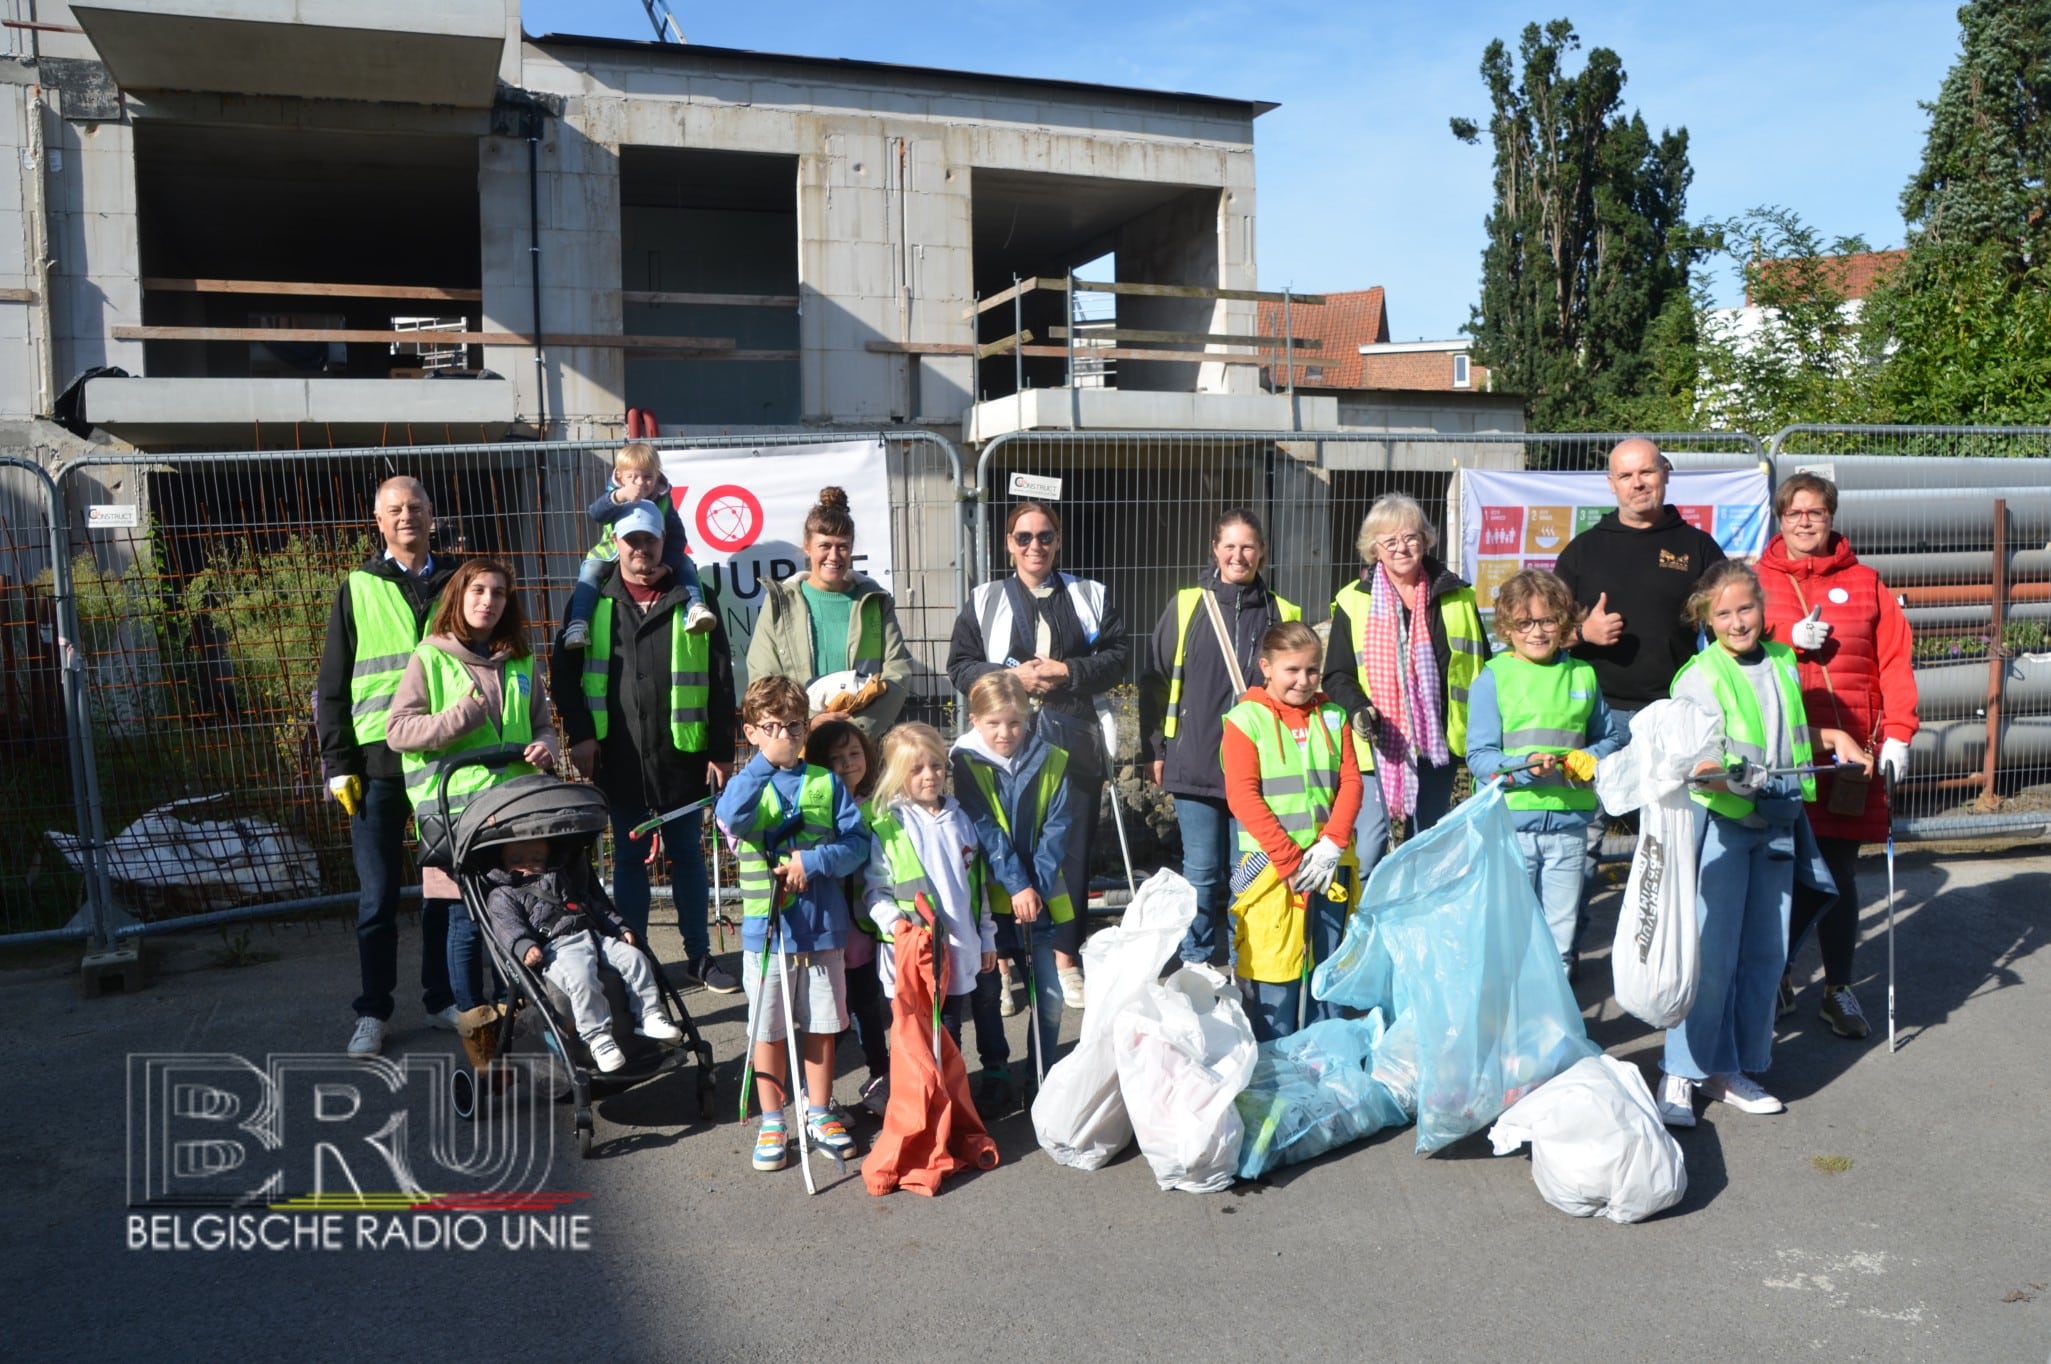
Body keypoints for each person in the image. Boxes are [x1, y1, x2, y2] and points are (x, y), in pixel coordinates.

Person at [1656, 562, 1867, 1128]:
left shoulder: (1781, 661)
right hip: (1724, 829)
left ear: (1764, 609)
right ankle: (1680, 1069)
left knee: (1763, 956)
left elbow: (1786, 731)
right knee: (1710, 957)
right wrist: (1726, 775)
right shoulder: (1698, 676)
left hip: (1777, 824)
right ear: (1706, 619)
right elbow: (1696, 759)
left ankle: (1730, 1068)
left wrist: (1836, 737)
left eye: (1745, 609)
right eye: (1721, 614)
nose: (1736, 621)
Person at [550, 500, 740, 993]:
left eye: (649, 540)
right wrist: (581, 736)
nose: (640, 550)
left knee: (688, 854)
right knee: (629, 859)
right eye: (631, 541)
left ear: (663, 542)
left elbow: (720, 677)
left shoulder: (692, 599)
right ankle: (636, 959)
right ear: (616, 543)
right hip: (618, 754)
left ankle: (699, 956)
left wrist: (722, 750)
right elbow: (565, 677)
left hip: (683, 753)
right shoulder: (589, 603)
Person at [1757, 472, 1920, 1040]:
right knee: (1781, 873)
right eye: (1794, 513)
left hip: (1852, 758)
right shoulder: (1755, 582)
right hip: (1780, 753)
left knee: (1840, 874)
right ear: (1779, 519)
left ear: (1831, 517)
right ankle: (1775, 973)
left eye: (1816, 512)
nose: (1805, 521)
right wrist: (1780, 638)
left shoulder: (1867, 582)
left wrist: (1899, 733)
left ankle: (1838, 988)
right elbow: (1724, 647)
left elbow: (1896, 661)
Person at [948, 502, 1127, 1009]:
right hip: (1001, 742)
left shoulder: (1090, 595)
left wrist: (1067, 671)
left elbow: (1117, 657)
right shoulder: (984, 599)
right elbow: (958, 665)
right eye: (1023, 537)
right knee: (998, 846)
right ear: (1008, 543)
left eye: (1045, 537)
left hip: (1072, 739)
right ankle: (1003, 963)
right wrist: (1010, 680)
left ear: (1058, 540)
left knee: (1068, 852)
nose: (1035, 546)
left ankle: (1064, 961)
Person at [314, 475, 462, 1058]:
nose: (407, 517)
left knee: (443, 892)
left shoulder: (458, 582)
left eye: (417, 508)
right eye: (395, 509)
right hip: (375, 767)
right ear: (378, 522)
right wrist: (337, 762)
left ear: (432, 517)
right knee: (376, 898)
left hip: (445, 763)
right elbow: (332, 683)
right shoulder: (357, 587)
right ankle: (373, 1011)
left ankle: (440, 999)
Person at [384, 556, 561, 1042]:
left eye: (499, 593)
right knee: (465, 922)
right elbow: (398, 731)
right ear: (458, 597)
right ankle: (478, 1029)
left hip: (516, 812)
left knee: (523, 913)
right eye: (478, 591)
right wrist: (460, 717)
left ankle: (523, 1012)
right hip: (456, 815)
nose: (488, 601)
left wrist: (547, 746)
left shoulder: (521, 660)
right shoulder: (431, 656)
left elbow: (543, 722)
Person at [716, 676, 869, 1173]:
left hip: (822, 930)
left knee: (822, 1027)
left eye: (795, 725)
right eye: (772, 726)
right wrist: (764, 763)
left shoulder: (825, 782)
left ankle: (819, 1110)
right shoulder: (748, 785)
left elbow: (857, 844)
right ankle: (772, 1120)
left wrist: (817, 860)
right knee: (769, 1029)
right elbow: (730, 815)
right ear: (752, 732)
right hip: (768, 933)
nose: (786, 734)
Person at [1140, 508, 1303, 969]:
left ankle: (1245, 961)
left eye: (1248, 546)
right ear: (1215, 550)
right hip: (1194, 758)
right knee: (1203, 872)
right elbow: (1153, 679)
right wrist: (1155, 747)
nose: (1238, 555)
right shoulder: (1188, 604)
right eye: (1229, 546)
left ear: (1262, 552)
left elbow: (1300, 687)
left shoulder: (1283, 612)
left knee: (1248, 872)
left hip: (1260, 766)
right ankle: (1196, 963)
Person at [1465, 570, 1628, 981]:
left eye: (1547, 621)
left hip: (1570, 830)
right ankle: (1510, 1036)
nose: (1536, 632)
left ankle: (1554, 1038)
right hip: (1511, 830)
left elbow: (1609, 738)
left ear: (1564, 624)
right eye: (1524, 623)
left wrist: (1585, 758)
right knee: (1510, 940)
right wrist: (1523, 768)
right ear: (1506, 627)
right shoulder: (1494, 678)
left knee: (1559, 945)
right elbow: (1479, 756)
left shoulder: (1583, 676)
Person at [1323, 494, 1487, 864]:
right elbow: (1337, 674)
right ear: (1373, 548)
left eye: (1411, 537)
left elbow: (1482, 664)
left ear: (1425, 540)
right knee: (1368, 850)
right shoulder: (1352, 600)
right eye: (1390, 540)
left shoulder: (1458, 595)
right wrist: (1359, 708)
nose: (1402, 547)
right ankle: (1364, 917)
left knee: (1426, 846)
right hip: (1377, 744)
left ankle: (1415, 919)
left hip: (1438, 742)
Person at [1221, 621, 1364, 1042]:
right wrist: (1289, 859)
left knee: (1328, 968)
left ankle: (1324, 1067)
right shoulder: (1245, 720)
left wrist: (1334, 842)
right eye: (1293, 670)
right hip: (1269, 869)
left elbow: (1352, 783)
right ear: (1266, 667)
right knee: (1271, 973)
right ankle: (1272, 1073)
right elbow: (1243, 797)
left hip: (1329, 865)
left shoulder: (1334, 716)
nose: (1304, 681)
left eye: (1313, 670)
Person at [951, 671, 1073, 1106]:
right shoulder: (963, 761)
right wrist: (1018, 884)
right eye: (994, 724)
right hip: (985, 899)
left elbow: (1058, 828)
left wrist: (1033, 888)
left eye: (1015, 723)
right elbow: (984, 827)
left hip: (1035, 901)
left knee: (1050, 995)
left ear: (1029, 717)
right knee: (986, 994)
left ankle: (1042, 1072)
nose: (1006, 733)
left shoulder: (1053, 759)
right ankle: (998, 1070)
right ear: (975, 721)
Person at [1553, 438, 1728, 719]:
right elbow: (1544, 637)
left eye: (1646, 472)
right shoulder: (1582, 551)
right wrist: (1584, 633)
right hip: (1598, 715)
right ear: (1612, 483)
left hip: (1677, 708)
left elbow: (1726, 630)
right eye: (1625, 475)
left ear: (1666, 473)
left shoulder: (1699, 547)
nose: (1637, 483)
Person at [483, 836, 682, 1074]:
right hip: (556, 948)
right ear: (503, 863)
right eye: (517, 860)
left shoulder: (558, 879)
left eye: (537, 859)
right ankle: (598, 1038)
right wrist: (524, 946)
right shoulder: (504, 894)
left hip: (593, 936)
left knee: (635, 958)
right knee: (581, 975)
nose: (528, 864)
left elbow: (591, 905)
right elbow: (508, 926)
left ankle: (650, 1015)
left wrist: (619, 927)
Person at [863, 724, 1001, 1066]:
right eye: (917, 769)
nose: (930, 776)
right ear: (898, 774)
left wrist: (986, 937)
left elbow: (976, 888)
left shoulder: (962, 820)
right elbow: (875, 892)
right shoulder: (889, 826)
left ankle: (949, 1103)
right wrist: (898, 928)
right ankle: (922, 1104)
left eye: (937, 765)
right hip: (910, 956)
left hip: (956, 950)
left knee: (950, 1030)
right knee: (913, 1035)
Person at [748, 486, 915, 739]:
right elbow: (763, 680)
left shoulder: (875, 602)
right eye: (824, 545)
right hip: (798, 748)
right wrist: (808, 726)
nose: (834, 556)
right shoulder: (779, 604)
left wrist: (854, 731)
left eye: (842, 547)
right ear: (807, 546)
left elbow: (897, 673)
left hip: (861, 748)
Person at [803, 714, 891, 1116]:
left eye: (854, 753)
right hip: (833, 931)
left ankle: (881, 1077)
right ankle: (813, 1092)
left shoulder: (875, 806)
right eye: (836, 757)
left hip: (867, 930)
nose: (848, 763)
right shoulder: (821, 812)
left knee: (869, 1006)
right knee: (834, 1018)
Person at [560, 441, 712, 650]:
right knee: (590, 570)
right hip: (610, 552)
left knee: (685, 565)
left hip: (657, 555)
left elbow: (677, 538)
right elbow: (596, 513)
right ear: (620, 477)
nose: (640, 483)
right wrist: (619, 497)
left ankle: (695, 608)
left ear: (657, 476)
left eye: (647, 477)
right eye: (632, 477)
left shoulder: (664, 500)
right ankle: (578, 622)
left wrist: (666, 566)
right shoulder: (615, 494)